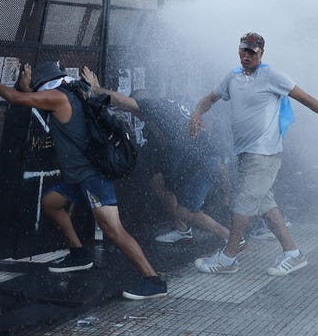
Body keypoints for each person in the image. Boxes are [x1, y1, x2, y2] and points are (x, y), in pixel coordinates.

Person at [0, 53, 167, 300]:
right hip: (80, 176)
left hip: (91, 176)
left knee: (112, 230)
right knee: (51, 203)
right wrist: (29, 86)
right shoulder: (75, 92)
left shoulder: (57, 98)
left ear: (45, 86)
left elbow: (17, 98)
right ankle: (79, 254)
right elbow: (35, 102)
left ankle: (152, 279)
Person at [189, 32, 318, 276]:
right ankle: (293, 253)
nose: (245, 56)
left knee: (242, 202)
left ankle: (228, 257)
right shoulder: (233, 77)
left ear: (261, 53)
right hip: (244, 152)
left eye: (251, 52)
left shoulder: (272, 76)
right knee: (266, 204)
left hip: (264, 153)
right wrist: (197, 114)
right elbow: (210, 98)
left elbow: (305, 98)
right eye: (243, 50)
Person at [79, 70, 233, 247]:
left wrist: (96, 89)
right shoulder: (169, 107)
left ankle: (229, 237)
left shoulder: (154, 106)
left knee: (186, 211)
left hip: (201, 163)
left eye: (135, 110)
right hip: (197, 160)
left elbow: (121, 101)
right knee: (159, 183)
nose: (136, 115)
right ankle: (185, 231)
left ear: (144, 103)